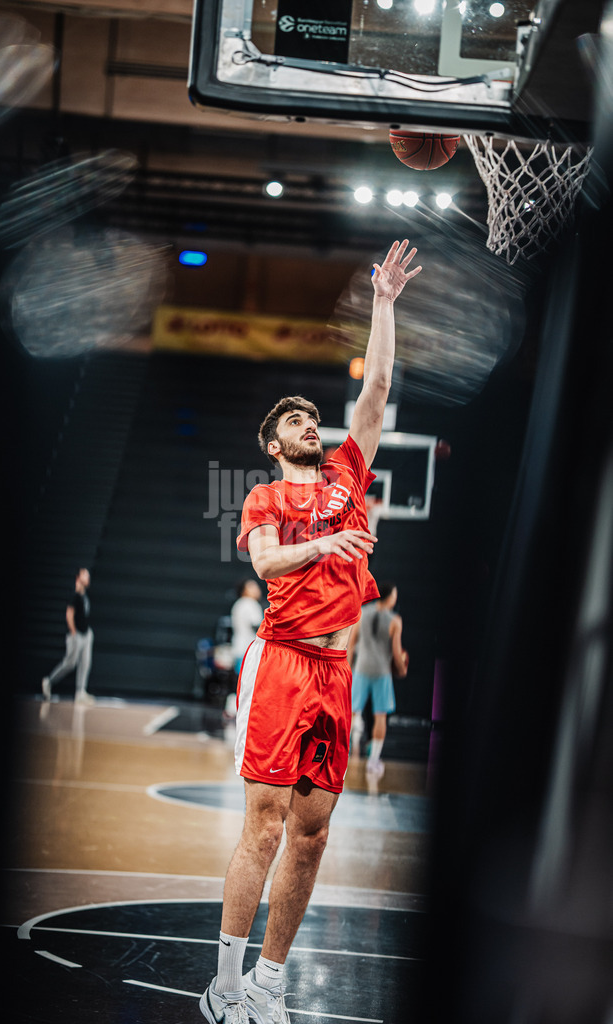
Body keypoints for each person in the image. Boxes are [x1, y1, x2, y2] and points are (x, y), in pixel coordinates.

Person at [199, 239, 422, 1024]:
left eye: (311, 417)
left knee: (313, 835)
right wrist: (323, 544)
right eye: (294, 420)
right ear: (272, 443)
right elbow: (265, 564)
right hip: (283, 663)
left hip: (334, 675)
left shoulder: (348, 477)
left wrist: (384, 304)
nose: (309, 424)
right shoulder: (264, 496)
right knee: (262, 827)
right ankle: (221, 988)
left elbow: (381, 385)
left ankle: (267, 981)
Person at [347, 580, 409, 778]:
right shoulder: (395, 620)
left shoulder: (362, 612)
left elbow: (350, 643)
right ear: (390, 597)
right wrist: (402, 668)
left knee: (353, 711)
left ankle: (349, 750)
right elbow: (396, 653)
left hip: (361, 667)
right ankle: (373, 761)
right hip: (382, 671)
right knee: (380, 715)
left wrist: (347, 667)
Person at [41, 567, 95, 705]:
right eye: (84, 575)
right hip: (76, 635)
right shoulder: (75, 595)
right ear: (78, 577)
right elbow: (69, 615)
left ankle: (80, 692)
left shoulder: (84, 596)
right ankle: (49, 681)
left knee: (85, 663)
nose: (87, 578)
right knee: (70, 663)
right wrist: (74, 633)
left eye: (88, 576)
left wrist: (87, 633)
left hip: (85, 634)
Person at [231, 579, 264, 676]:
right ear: (244, 590)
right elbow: (257, 627)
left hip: (239, 648)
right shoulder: (250, 603)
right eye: (252, 587)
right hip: (249, 650)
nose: (256, 589)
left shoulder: (238, 604)